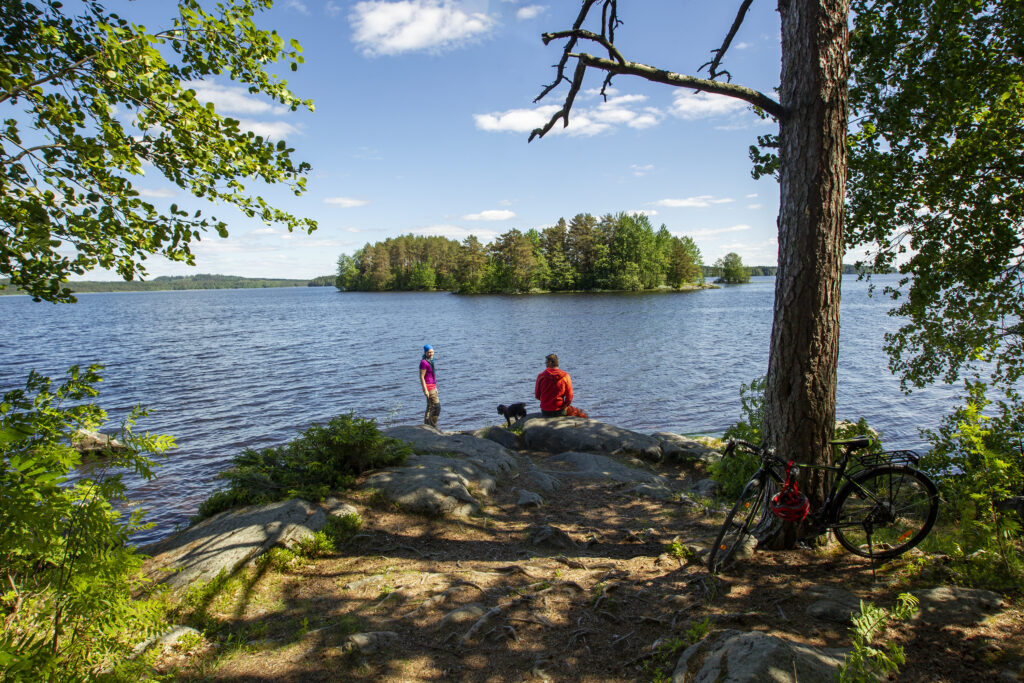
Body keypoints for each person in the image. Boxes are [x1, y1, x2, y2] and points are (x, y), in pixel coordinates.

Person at [535, 353, 573, 417]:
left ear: (550, 363)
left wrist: (546, 402)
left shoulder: (541, 376)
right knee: (577, 411)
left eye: (546, 363)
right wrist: (565, 405)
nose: (545, 365)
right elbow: (569, 397)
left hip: (545, 411)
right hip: (560, 410)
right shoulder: (565, 376)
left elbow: (537, 395)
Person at [419, 344, 440, 428]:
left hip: (433, 386)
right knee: (437, 407)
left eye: (432, 352)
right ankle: (433, 426)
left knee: (430, 406)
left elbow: (432, 376)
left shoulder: (431, 360)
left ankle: (427, 425)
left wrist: (435, 387)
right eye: (429, 352)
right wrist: (425, 390)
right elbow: (422, 377)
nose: (431, 354)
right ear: (425, 353)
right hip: (428, 387)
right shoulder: (424, 362)